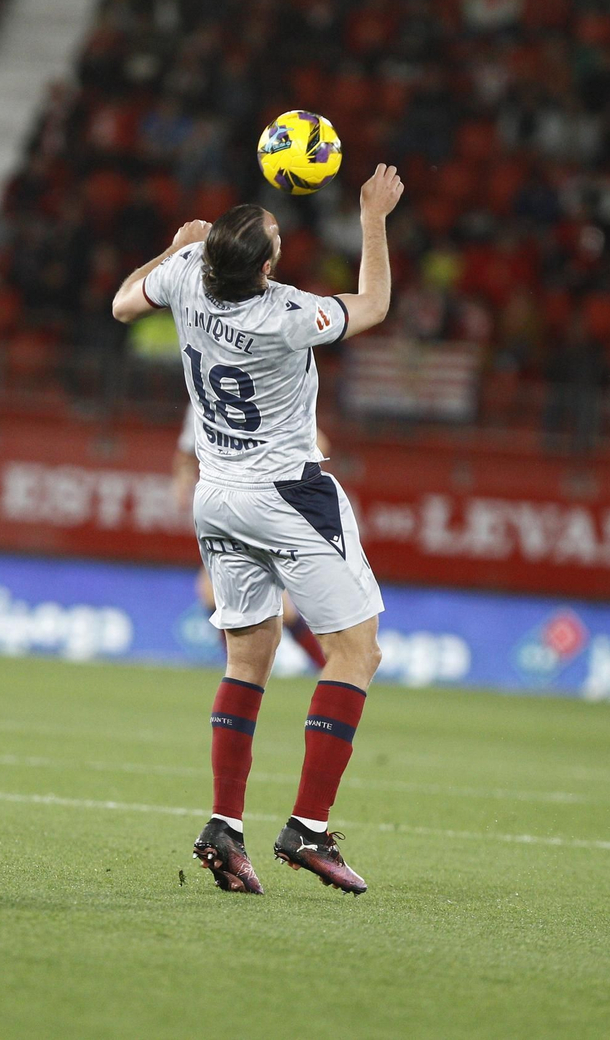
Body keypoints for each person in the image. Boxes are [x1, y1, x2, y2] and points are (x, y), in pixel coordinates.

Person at [112, 163, 405, 896]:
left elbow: (121, 304)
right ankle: (307, 828)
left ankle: (224, 826)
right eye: (276, 235)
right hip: (287, 492)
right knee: (356, 652)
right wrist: (374, 217)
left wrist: (174, 246)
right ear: (269, 267)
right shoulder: (286, 314)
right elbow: (370, 306)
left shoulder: (183, 273)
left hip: (217, 494)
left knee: (248, 659)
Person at [170, 408, 332, 671]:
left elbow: (319, 443)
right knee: (215, 591)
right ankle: (325, 668)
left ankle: (324, 669)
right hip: (230, 505)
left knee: (222, 590)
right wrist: (183, 477)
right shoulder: (201, 398)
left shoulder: (262, 392)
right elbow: (188, 451)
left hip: (259, 503)